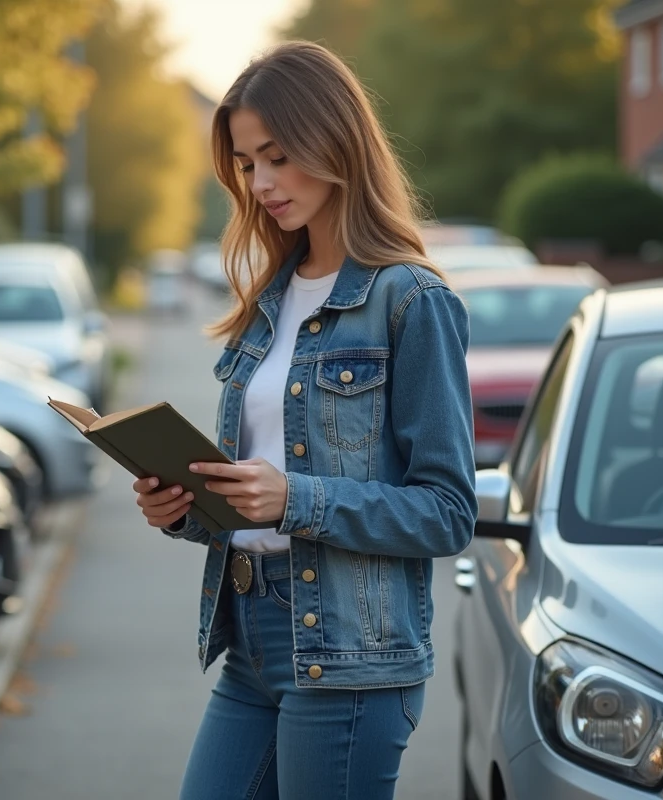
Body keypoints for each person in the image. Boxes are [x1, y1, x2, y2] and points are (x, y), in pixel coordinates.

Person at [131, 41, 477, 799]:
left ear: (335, 141)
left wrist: (296, 498)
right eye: (248, 163)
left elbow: (449, 513)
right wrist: (185, 511)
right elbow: (250, 496)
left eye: (277, 157)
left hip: (350, 656)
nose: (260, 184)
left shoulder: (411, 301)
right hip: (251, 640)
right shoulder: (270, 301)